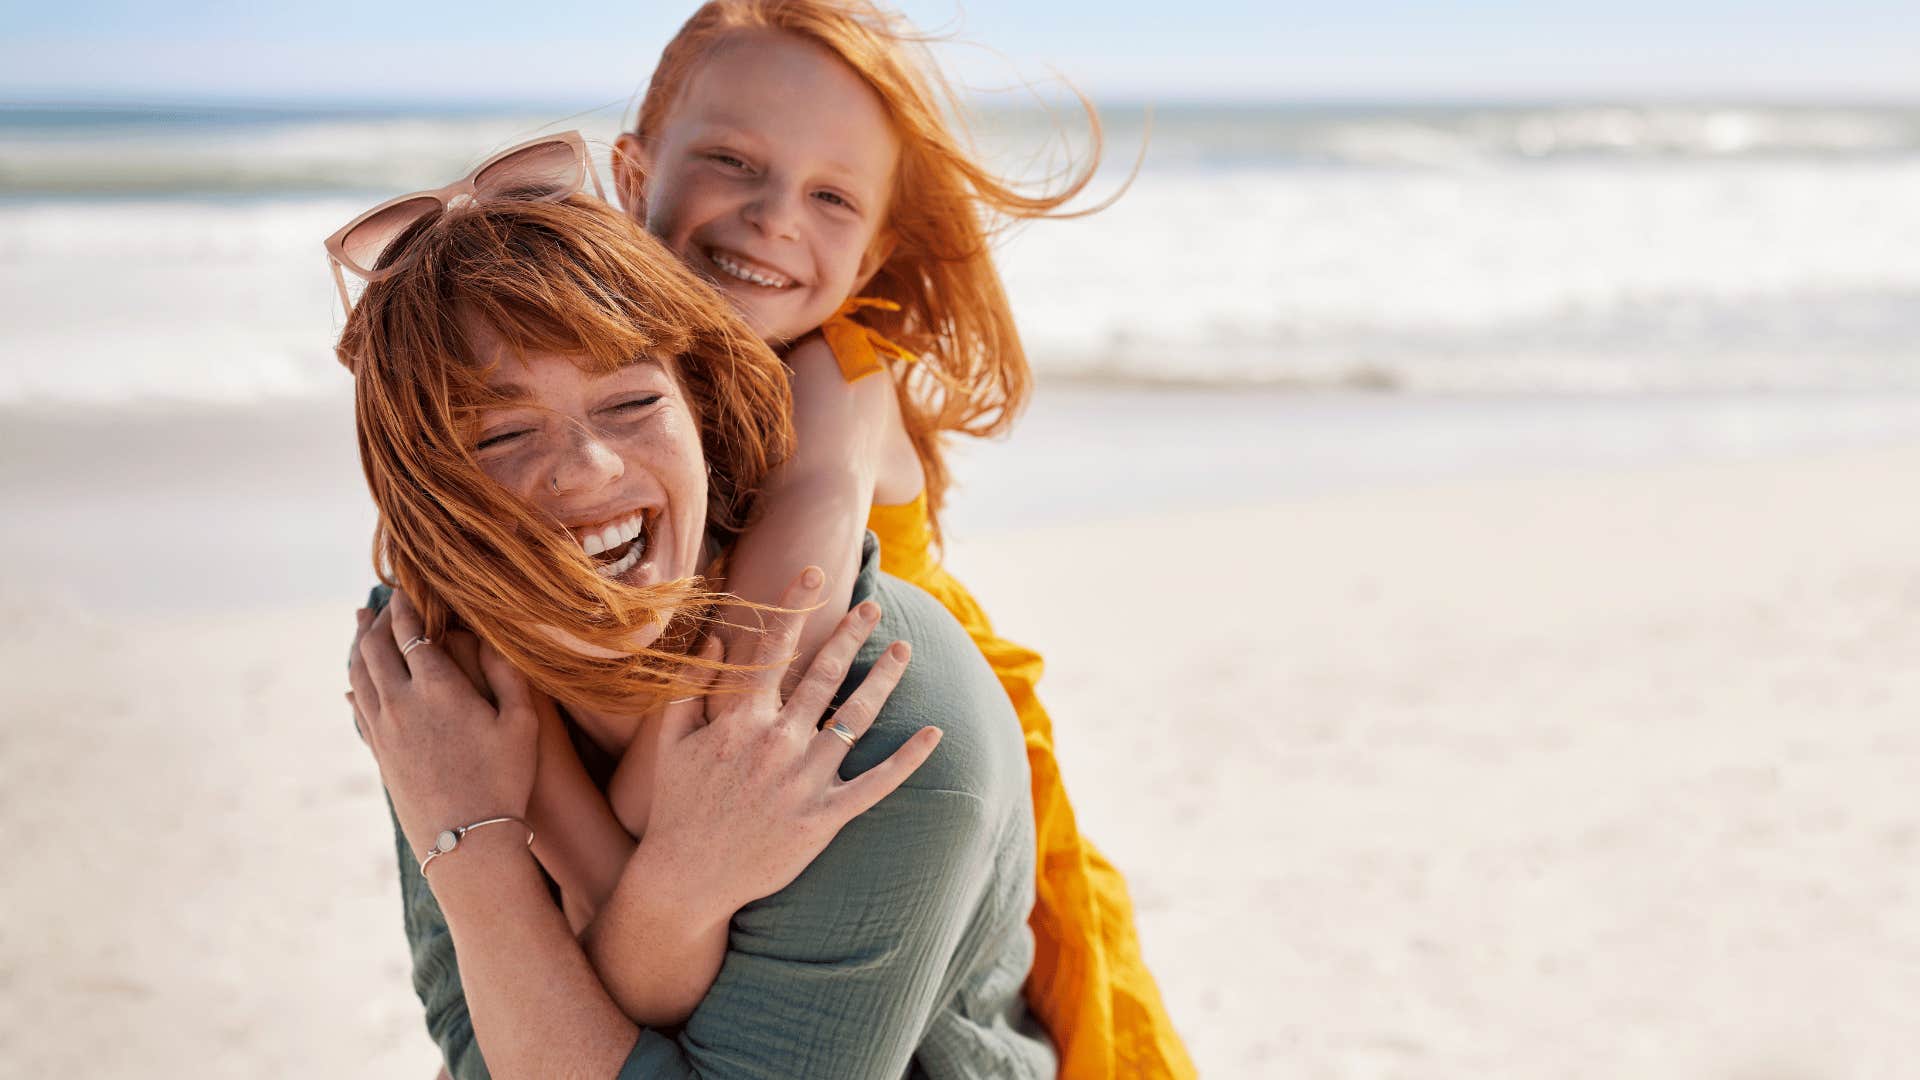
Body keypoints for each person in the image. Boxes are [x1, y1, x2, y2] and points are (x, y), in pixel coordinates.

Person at [600, 3, 1193, 1074]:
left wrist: (642, 801)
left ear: (873, 250)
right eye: (732, 160)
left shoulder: (840, 373)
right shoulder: (619, 376)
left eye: (832, 196)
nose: (775, 216)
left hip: (905, 752)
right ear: (633, 171)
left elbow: (797, 581)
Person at [339, 191, 1052, 1077]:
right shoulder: (436, 691)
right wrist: (666, 891)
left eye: (633, 402)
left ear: (700, 415)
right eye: (505, 432)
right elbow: (474, 1051)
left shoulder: (881, 721)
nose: (590, 467)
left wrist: (477, 857)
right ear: (426, 495)